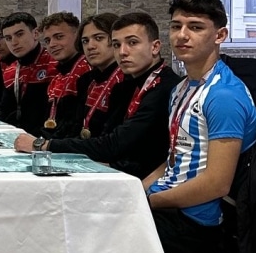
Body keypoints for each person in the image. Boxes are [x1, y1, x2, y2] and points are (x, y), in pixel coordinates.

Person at [71, 0, 256, 253]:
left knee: (105, 235)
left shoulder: (223, 96)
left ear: (220, 35)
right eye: (177, 26)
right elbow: (170, 161)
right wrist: (135, 191)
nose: (183, 35)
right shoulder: (183, 90)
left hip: (198, 224)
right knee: (81, 216)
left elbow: (216, 183)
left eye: (196, 28)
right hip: (167, 206)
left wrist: (145, 201)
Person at [14, 12, 179, 180]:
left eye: (132, 43)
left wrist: (44, 145)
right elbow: (89, 133)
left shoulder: (164, 87)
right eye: (116, 44)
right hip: (115, 166)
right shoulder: (127, 83)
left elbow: (117, 144)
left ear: (155, 47)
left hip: (142, 178)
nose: (122, 52)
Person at [59, 13, 124, 140]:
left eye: (98, 38)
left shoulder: (125, 80)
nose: (90, 46)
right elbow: (74, 127)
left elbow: (111, 139)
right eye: (85, 41)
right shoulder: (86, 80)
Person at [0, 12, 58, 136]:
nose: (14, 42)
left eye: (19, 34)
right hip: (15, 135)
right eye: (8, 38)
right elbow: (4, 110)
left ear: (35, 34)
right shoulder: (10, 70)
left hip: (44, 137)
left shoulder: (53, 63)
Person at [39, 12, 89, 138]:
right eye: (47, 40)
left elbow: (75, 125)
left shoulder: (87, 70)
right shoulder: (58, 75)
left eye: (59, 37)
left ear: (77, 35)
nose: (52, 44)